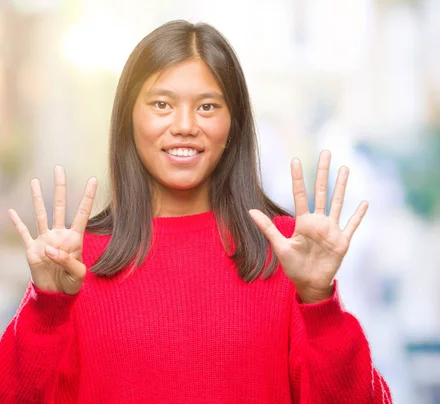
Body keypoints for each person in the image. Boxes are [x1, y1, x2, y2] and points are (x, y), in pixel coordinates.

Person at [0, 20, 392, 403]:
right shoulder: (73, 265)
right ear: (128, 119)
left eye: (207, 106)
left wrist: (319, 303)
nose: (185, 125)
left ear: (233, 123)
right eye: (161, 104)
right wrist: (46, 305)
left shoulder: (289, 252)